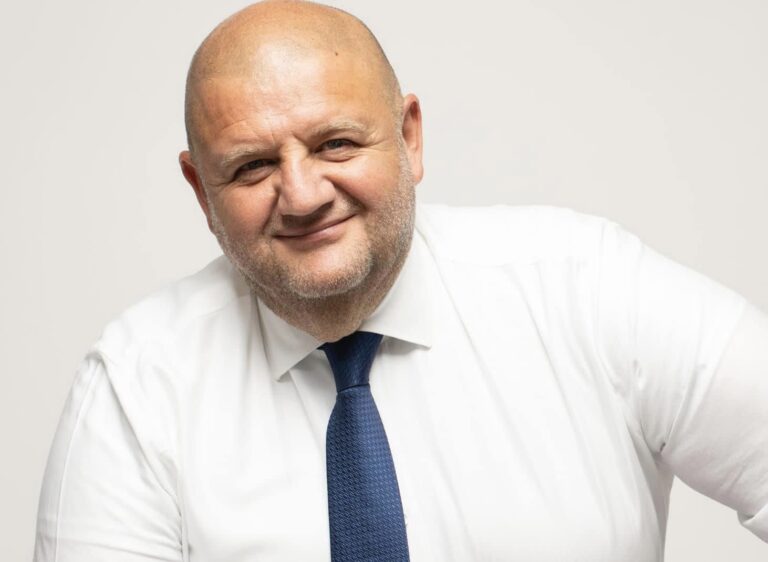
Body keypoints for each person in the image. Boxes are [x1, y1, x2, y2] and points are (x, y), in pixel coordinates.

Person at [34, 1, 768, 561]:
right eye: (252, 166)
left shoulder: (586, 288)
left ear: (410, 137)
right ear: (201, 190)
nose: (302, 195)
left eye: (336, 144)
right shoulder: (137, 387)